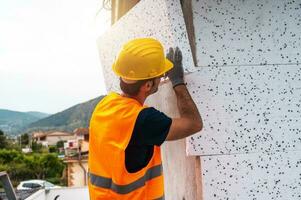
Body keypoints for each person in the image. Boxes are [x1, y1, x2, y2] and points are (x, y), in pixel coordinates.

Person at [88, 38, 202, 200]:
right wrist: (177, 82)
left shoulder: (104, 105)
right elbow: (194, 123)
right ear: (148, 85)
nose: (162, 77)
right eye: (159, 76)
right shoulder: (143, 120)